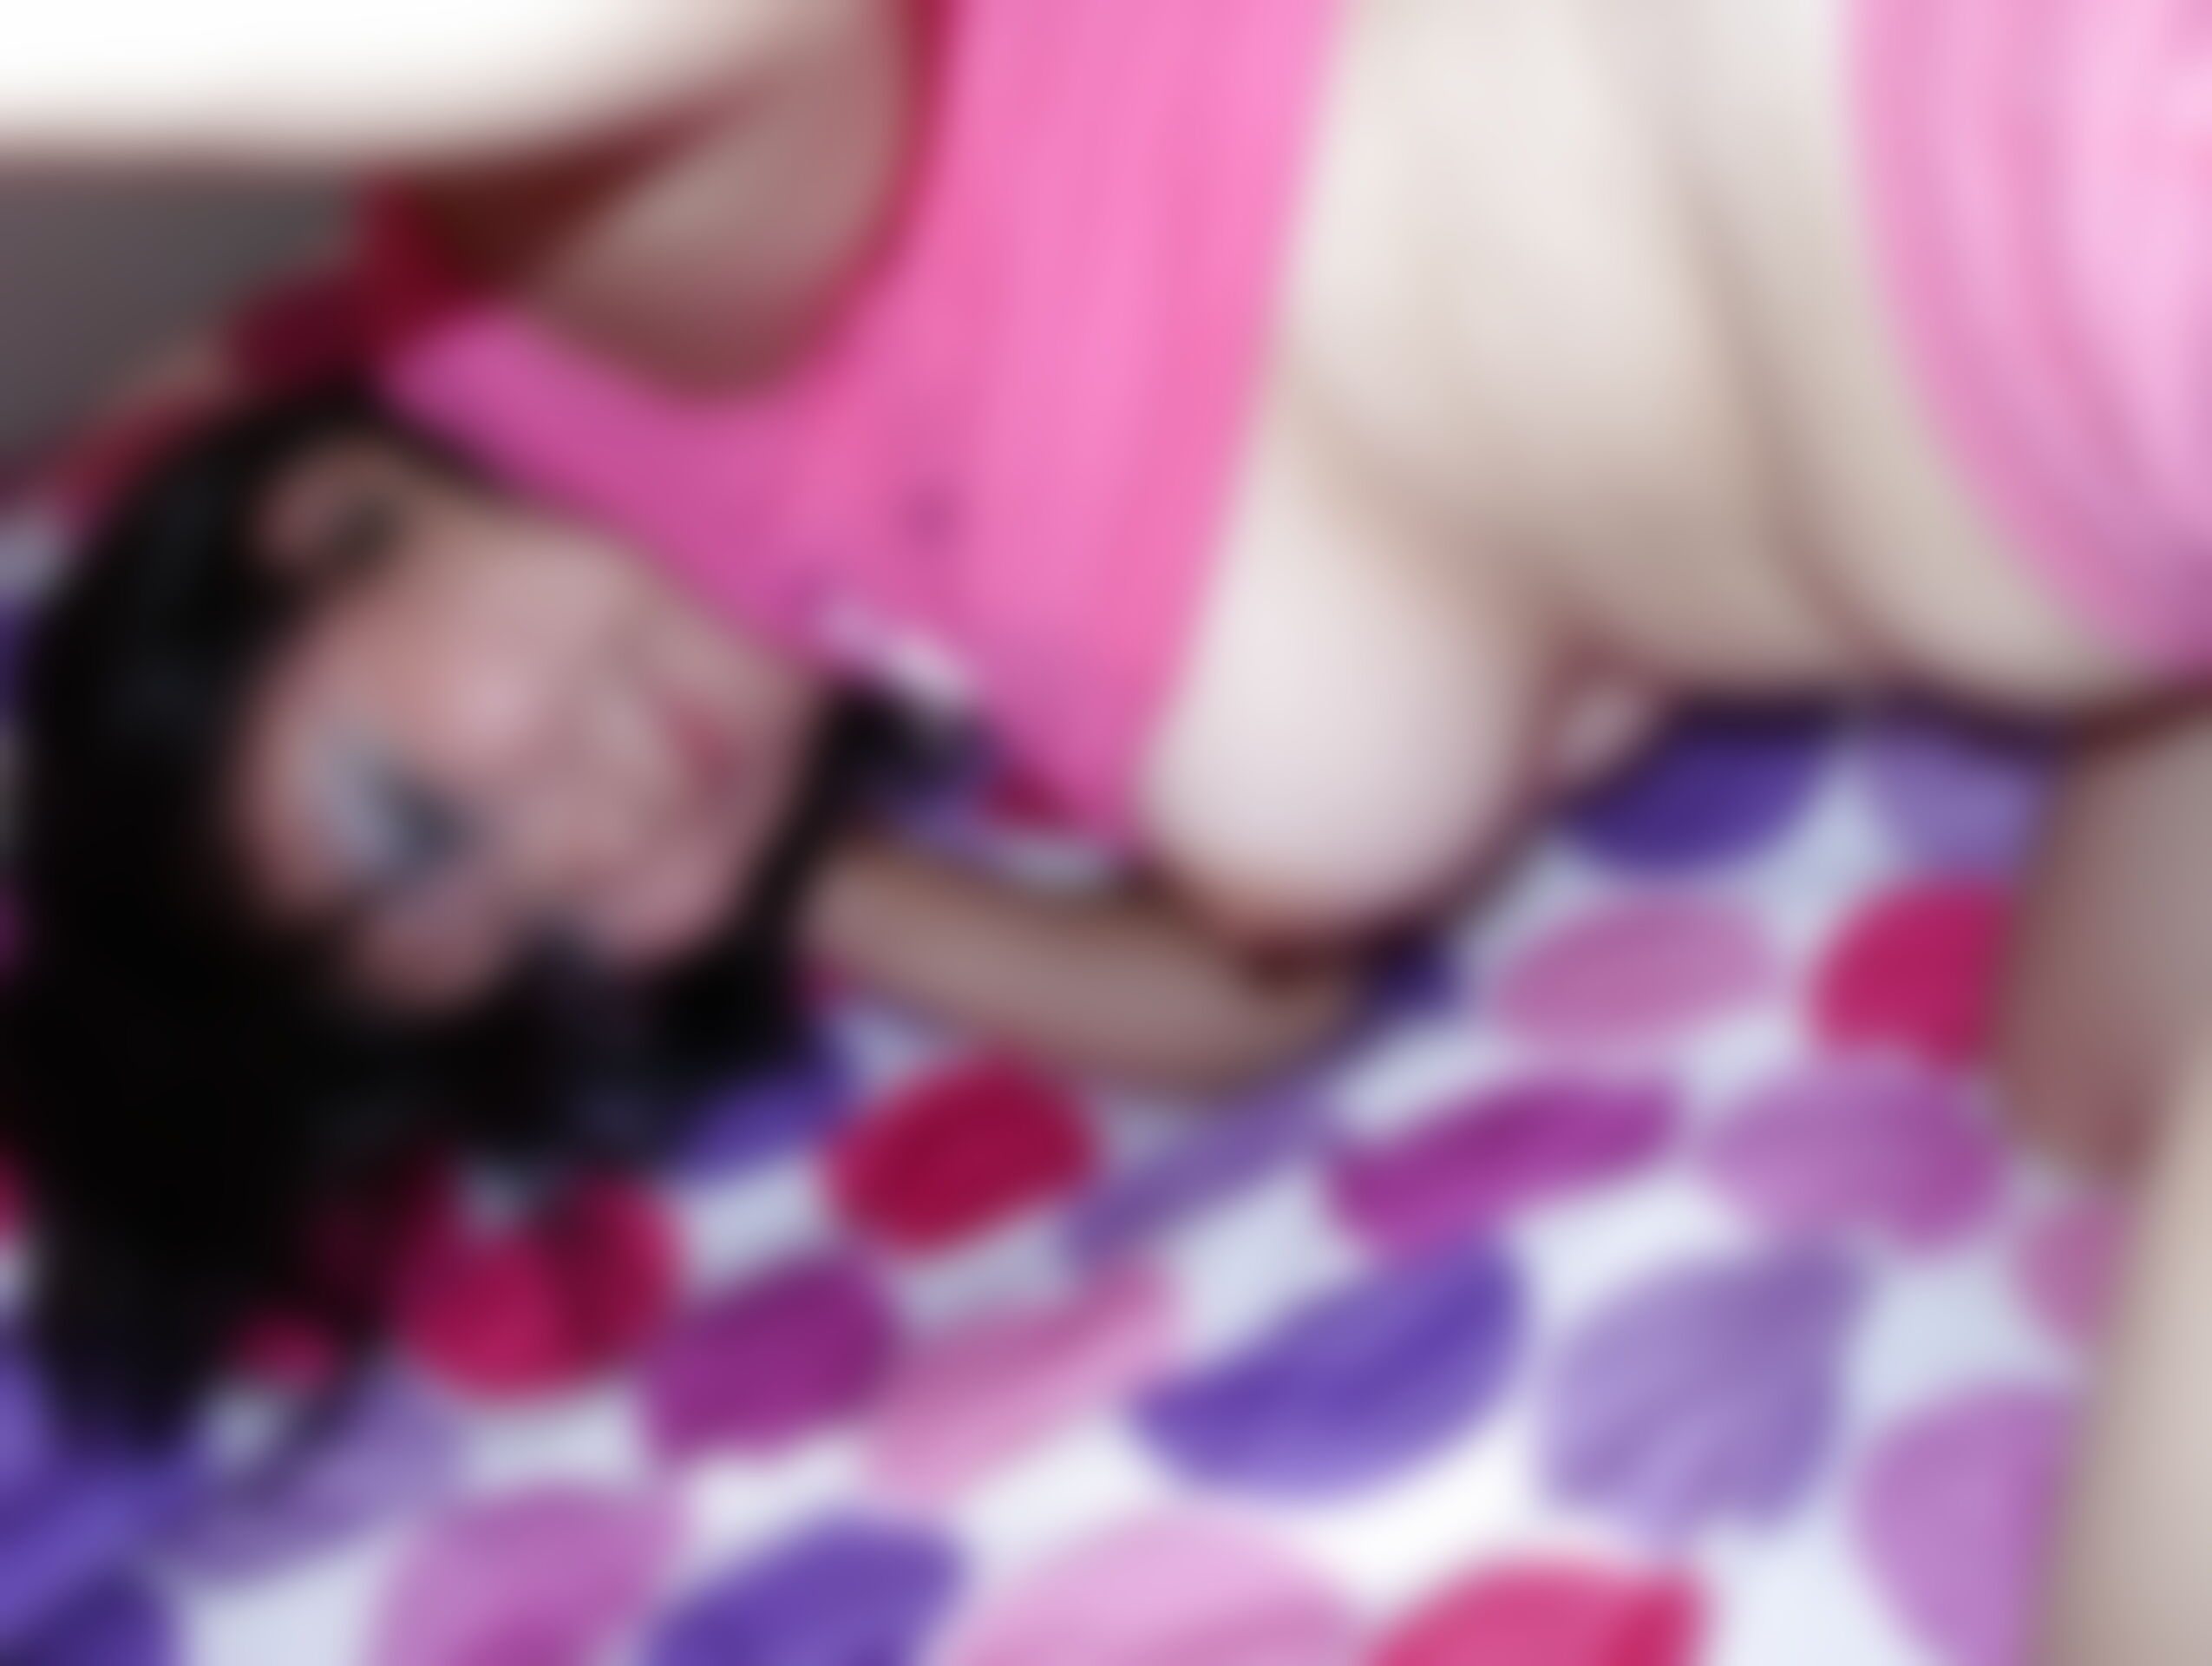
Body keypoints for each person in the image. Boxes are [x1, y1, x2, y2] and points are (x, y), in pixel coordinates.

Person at [3, 5, 2212, 1649]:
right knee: (2077, 1093)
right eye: (551, 942)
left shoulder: (608, 323)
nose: (569, 849)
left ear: (334, 511)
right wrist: (790, 880)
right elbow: (1245, 1006)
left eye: (416, 814)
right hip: (2116, 505)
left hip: (2076, 126)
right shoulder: (902, 588)